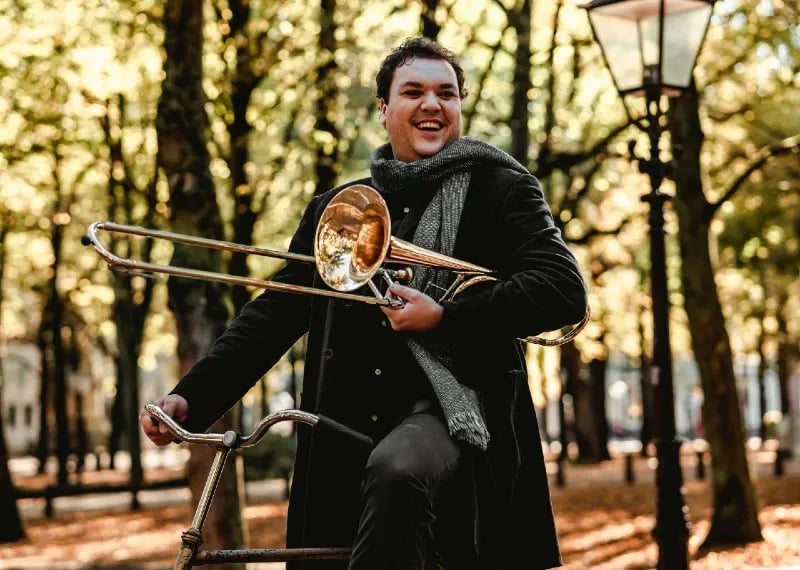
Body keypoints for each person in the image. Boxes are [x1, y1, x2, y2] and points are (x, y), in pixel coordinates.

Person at [141, 36, 588, 570]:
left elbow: (561, 289)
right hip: (343, 428)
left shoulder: (502, 189)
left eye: (446, 94)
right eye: (413, 92)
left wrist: (445, 316)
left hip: (456, 417)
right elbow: (276, 312)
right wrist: (192, 395)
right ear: (383, 108)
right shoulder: (341, 210)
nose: (431, 104)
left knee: (398, 469)